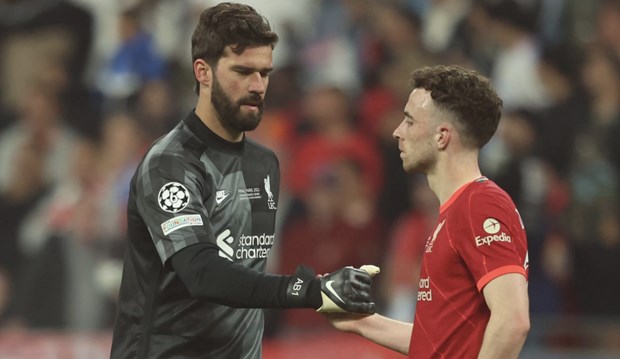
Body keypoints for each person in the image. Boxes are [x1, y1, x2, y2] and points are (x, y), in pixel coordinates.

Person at [110, 3, 377, 359]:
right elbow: (201, 273)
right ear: (202, 72)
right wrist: (309, 290)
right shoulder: (171, 164)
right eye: (243, 71)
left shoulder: (265, 164)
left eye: (265, 73)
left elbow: (246, 274)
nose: (257, 86)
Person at [327, 65, 530, 358]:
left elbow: (513, 321)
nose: (398, 132)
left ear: (442, 136)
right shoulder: (457, 209)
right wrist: (361, 323)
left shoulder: (479, 204)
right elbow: (439, 341)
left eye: (409, 121)